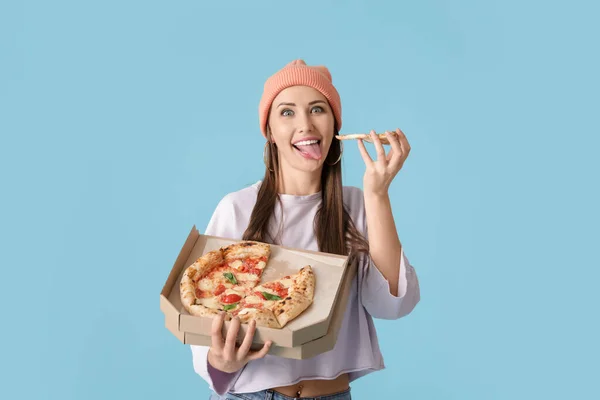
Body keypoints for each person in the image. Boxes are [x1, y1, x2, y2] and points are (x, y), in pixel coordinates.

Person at [190, 59, 421, 400]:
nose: (305, 125)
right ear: (269, 131)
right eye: (286, 112)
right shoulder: (237, 207)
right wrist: (219, 362)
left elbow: (391, 306)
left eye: (317, 109)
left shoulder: (359, 204)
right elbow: (206, 316)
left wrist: (377, 194)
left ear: (335, 125)